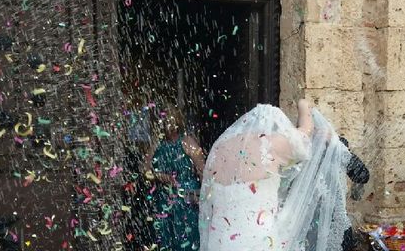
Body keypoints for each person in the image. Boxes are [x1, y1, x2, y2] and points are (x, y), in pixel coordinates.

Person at [199, 99, 353, 251]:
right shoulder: (270, 145)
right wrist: (304, 105)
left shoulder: (220, 148)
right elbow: (305, 132)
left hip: (219, 241)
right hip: (257, 242)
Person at [145, 106, 205, 251]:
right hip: (165, 200)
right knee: (166, 238)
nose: (168, 126)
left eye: (171, 122)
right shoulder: (157, 144)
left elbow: (203, 171)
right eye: (165, 122)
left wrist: (203, 197)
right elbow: (144, 170)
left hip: (187, 198)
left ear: (178, 122)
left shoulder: (187, 141)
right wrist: (159, 176)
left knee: (188, 237)